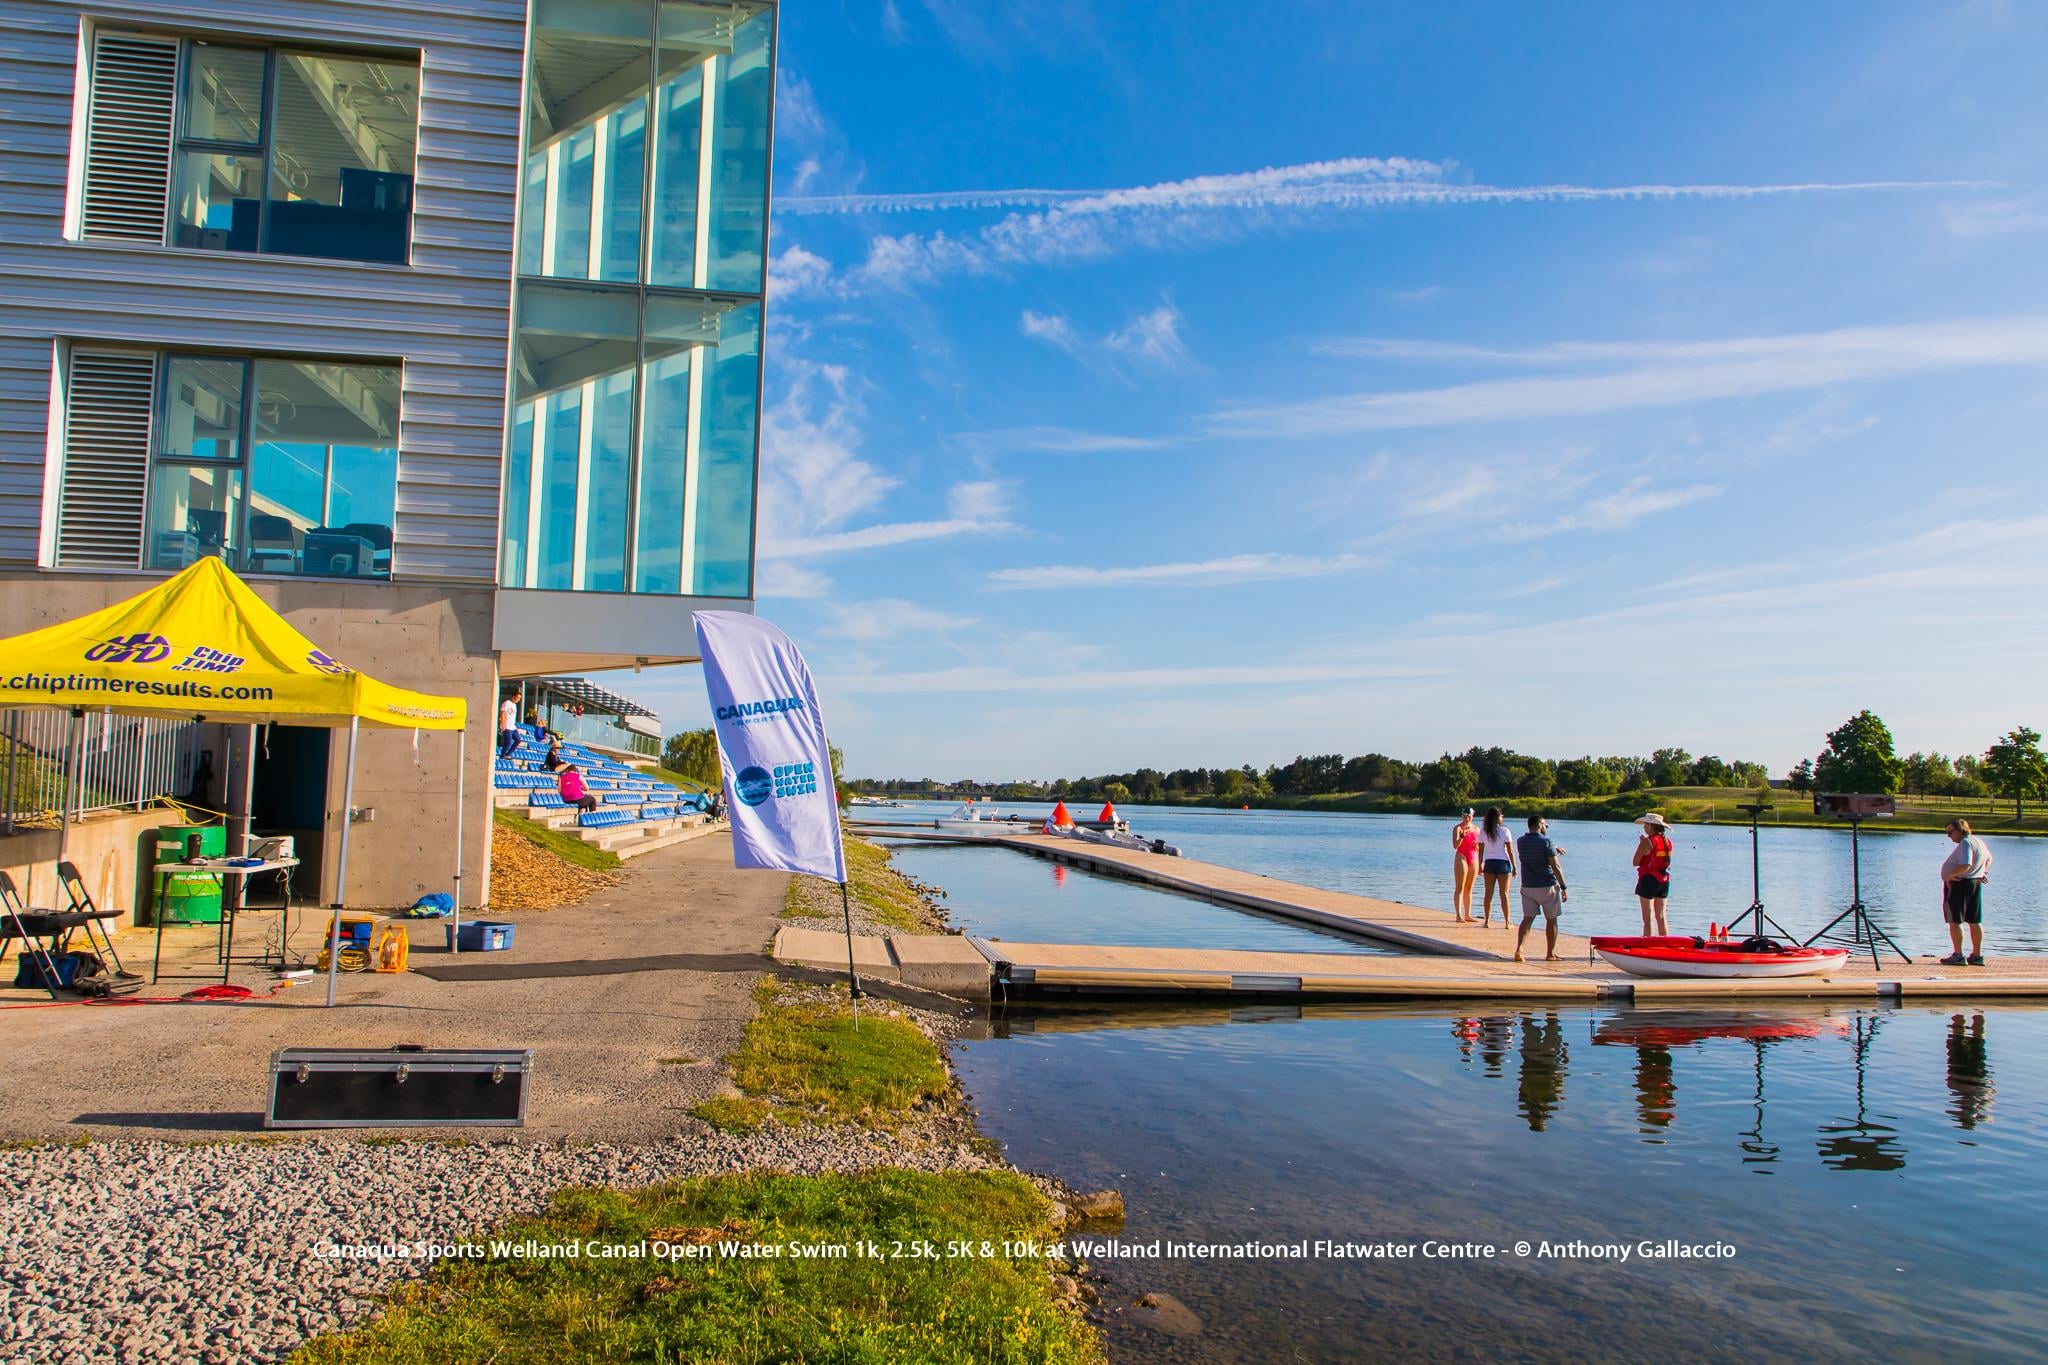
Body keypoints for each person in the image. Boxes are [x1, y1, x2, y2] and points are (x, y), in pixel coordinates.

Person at [1513, 814, 1568, 962]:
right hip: (1546, 885)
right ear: (1539, 825)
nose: (1546, 827)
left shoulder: (1520, 841)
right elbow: (1555, 866)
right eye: (1545, 825)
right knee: (1551, 919)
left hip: (1527, 886)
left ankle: (1519, 950)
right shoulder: (1546, 842)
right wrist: (1563, 887)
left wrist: (1553, 848)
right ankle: (1550, 953)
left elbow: (1534, 850)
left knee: (1527, 919)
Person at [1938, 818, 1993, 966]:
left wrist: (1950, 876)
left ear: (1960, 830)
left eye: (1950, 832)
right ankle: (1977, 955)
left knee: (1955, 920)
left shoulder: (1965, 843)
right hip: (1974, 883)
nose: (1949, 836)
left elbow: (1965, 864)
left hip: (1960, 885)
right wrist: (1982, 872)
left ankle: (1958, 955)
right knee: (1975, 920)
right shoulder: (1978, 841)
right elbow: (1989, 859)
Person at [1632, 813, 1673, 935]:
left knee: (1647, 918)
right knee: (1661, 916)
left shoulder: (1647, 842)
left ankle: (1647, 944)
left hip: (1648, 880)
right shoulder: (1668, 842)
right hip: (1664, 880)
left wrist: (1641, 844)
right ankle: (1665, 945)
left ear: (1650, 825)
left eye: (1645, 825)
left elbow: (1635, 862)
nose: (1644, 828)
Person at [1477, 806, 1515, 928]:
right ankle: (1507, 922)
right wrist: (1514, 866)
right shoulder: (1505, 831)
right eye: (1501, 815)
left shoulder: (1483, 831)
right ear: (1498, 817)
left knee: (1488, 893)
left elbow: (1480, 851)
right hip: (1503, 863)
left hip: (1489, 863)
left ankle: (1487, 921)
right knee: (1504, 894)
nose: (1502, 817)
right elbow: (1510, 851)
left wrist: (1480, 865)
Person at [1450, 809, 1480, 923]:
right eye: (1465, 816)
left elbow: (1480, 847)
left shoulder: (1477, 829)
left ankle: (1468, 914)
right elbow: (1455, 845)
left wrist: (1477, 846)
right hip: (1461, 856)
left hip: (1473, 857)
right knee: (1460, 887)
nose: (1467, 818)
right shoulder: (1458, 828)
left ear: (1473, 816)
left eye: (1469, 816)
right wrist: (1462, 836)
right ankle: (1458, 915)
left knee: (1469, 888)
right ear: (1462, 816)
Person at [498, 695, 519, 759]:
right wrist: (502, 723)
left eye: (519, 698)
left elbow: (512, 717)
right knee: (508, 742)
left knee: (518, 740)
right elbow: (502, 712)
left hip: (512, 726)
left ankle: (508, 754)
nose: (518, 699)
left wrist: (515, 726)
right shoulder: (507, 703)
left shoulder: (515, 705)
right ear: (513, 696)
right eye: (517, 697)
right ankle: (502, 756)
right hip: (507, 726)